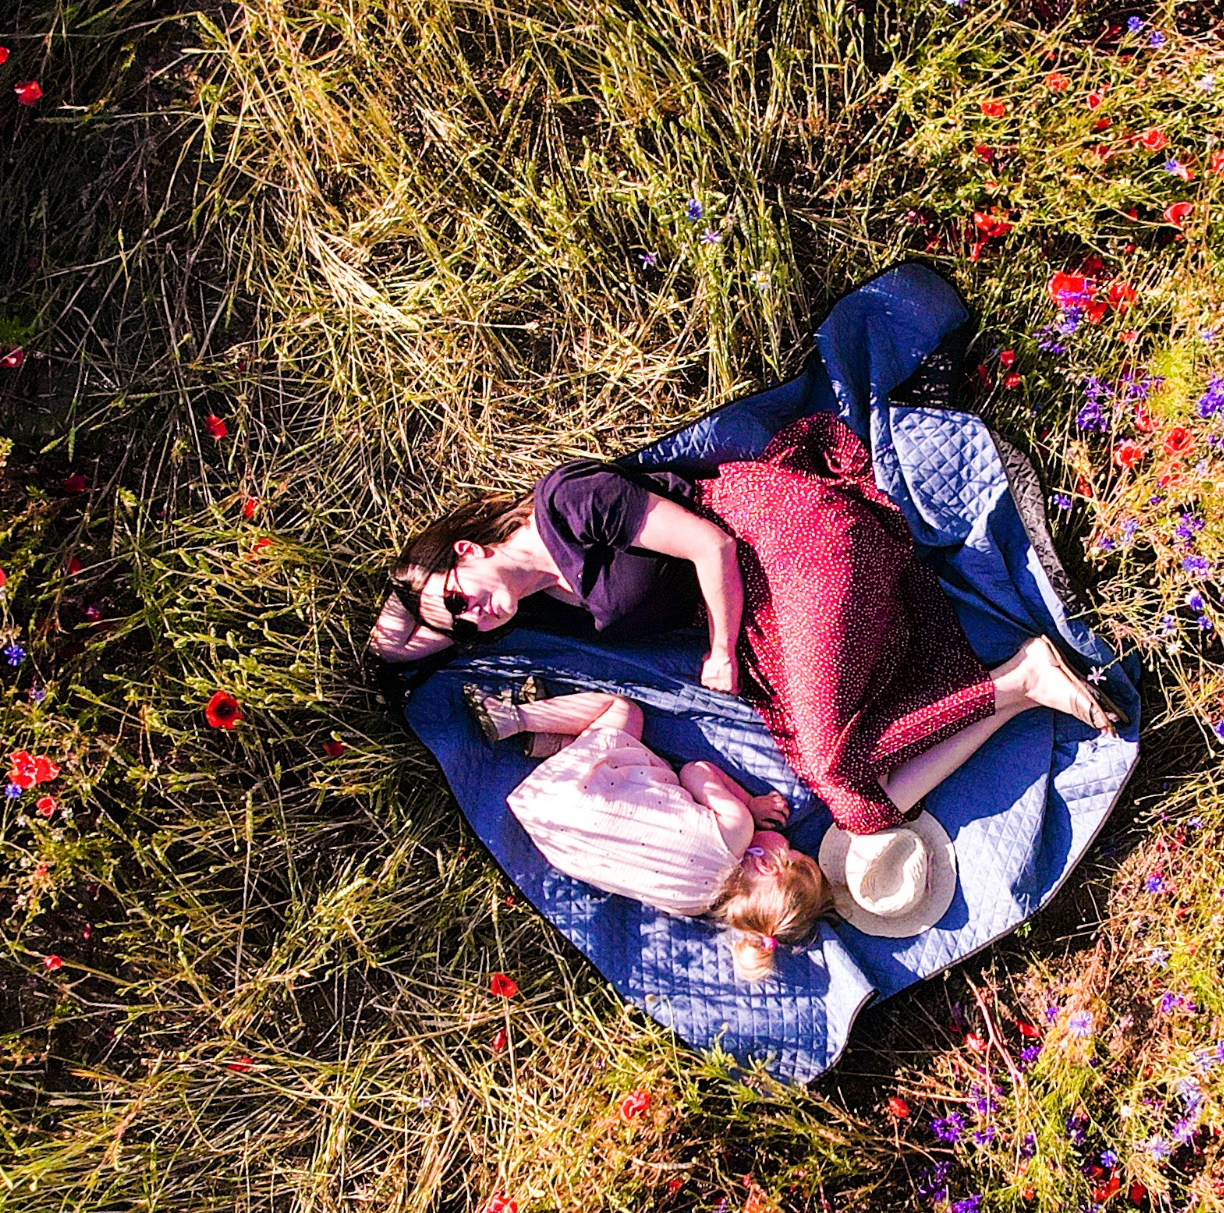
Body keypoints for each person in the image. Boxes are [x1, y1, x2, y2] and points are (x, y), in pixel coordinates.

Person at [369, 415, 1117, 841]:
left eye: (459, 598)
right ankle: (1018, 686)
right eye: (464, 629)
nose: (477, 616)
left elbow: (710, 545)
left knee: (831, 761)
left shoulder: (564, 505)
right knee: (857, 806)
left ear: (466, 551)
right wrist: (422, 619)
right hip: (767, 606)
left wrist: (722, 649)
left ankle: (1020, 679)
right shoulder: (538, 608)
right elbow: (399, 646)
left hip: (773, 536)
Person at [472, 687, 831, 982]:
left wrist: (749, 803)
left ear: (768, 865)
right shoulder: (694, 905)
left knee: (622, 712)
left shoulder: (737, 829)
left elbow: (697, 770)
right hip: (550, 827)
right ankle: (547, 746)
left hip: (577, 789)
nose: (786, 839)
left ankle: (516, 717)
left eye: (792, 850)